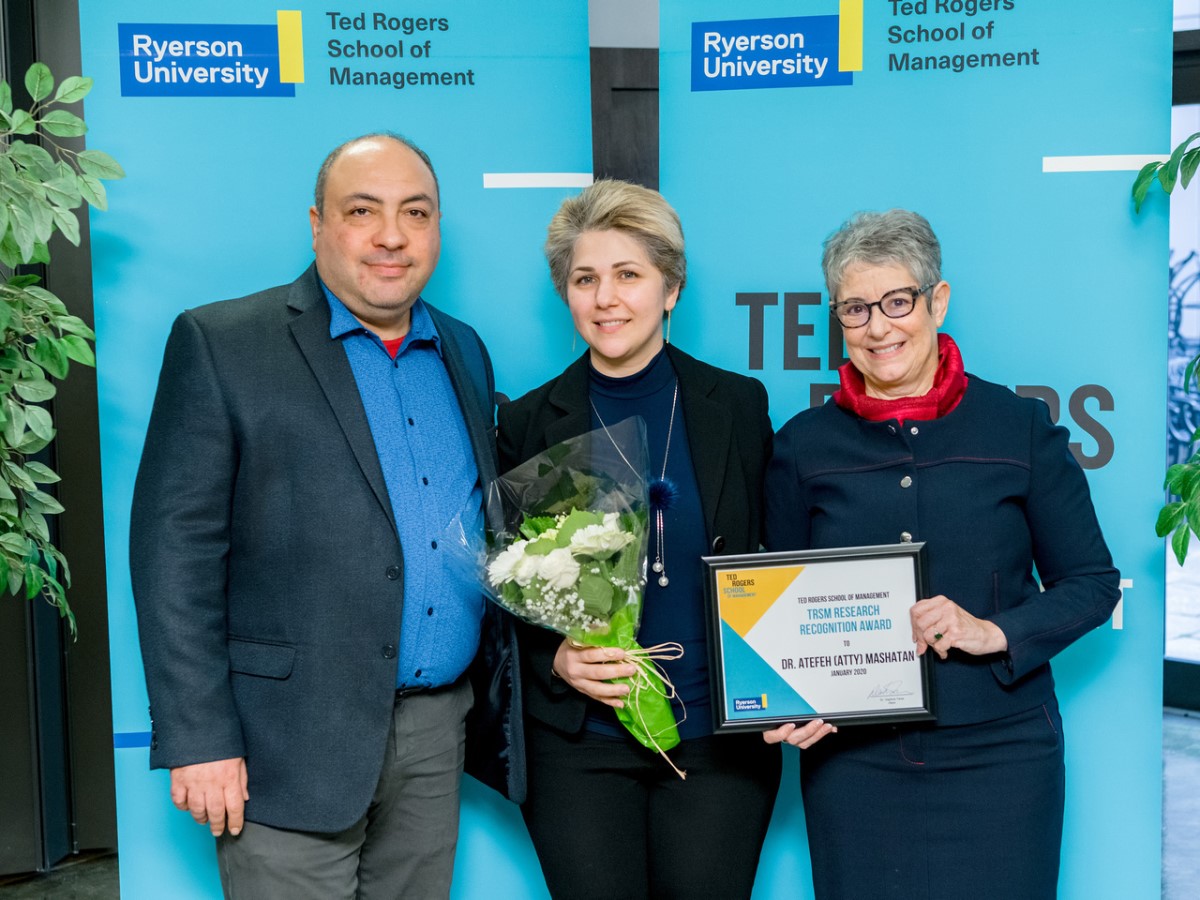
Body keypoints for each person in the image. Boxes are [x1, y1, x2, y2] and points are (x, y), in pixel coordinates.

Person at [129, 132, 521, 900]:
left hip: (436, 735)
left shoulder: (464, 351)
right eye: (362, 210)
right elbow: (172, 552)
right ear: (317, 224)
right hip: (286, 741)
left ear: (437, 227)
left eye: (416, 212)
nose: (391, 236)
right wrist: (199, 737)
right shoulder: (223, 344)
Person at [763, 209, 1120, 899]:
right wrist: (794, 693)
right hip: (854, 761)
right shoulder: (803, 445)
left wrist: (995, 631)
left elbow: (1092, 582)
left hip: (1004, 750)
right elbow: (781, 600)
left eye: (898, 302)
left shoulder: (1020, 428)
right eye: (856, 309)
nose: (879, 327)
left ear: (938, 302)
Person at [497, 179, 781, 900]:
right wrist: (554, 658)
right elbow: (503, 590)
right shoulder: (529, 422)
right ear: (566, 292)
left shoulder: (738, 406)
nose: (605, 299)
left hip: (719, 741)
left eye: (629, 275)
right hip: (579, 748)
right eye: (585, 279)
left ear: (671, 288)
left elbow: (774, 555)